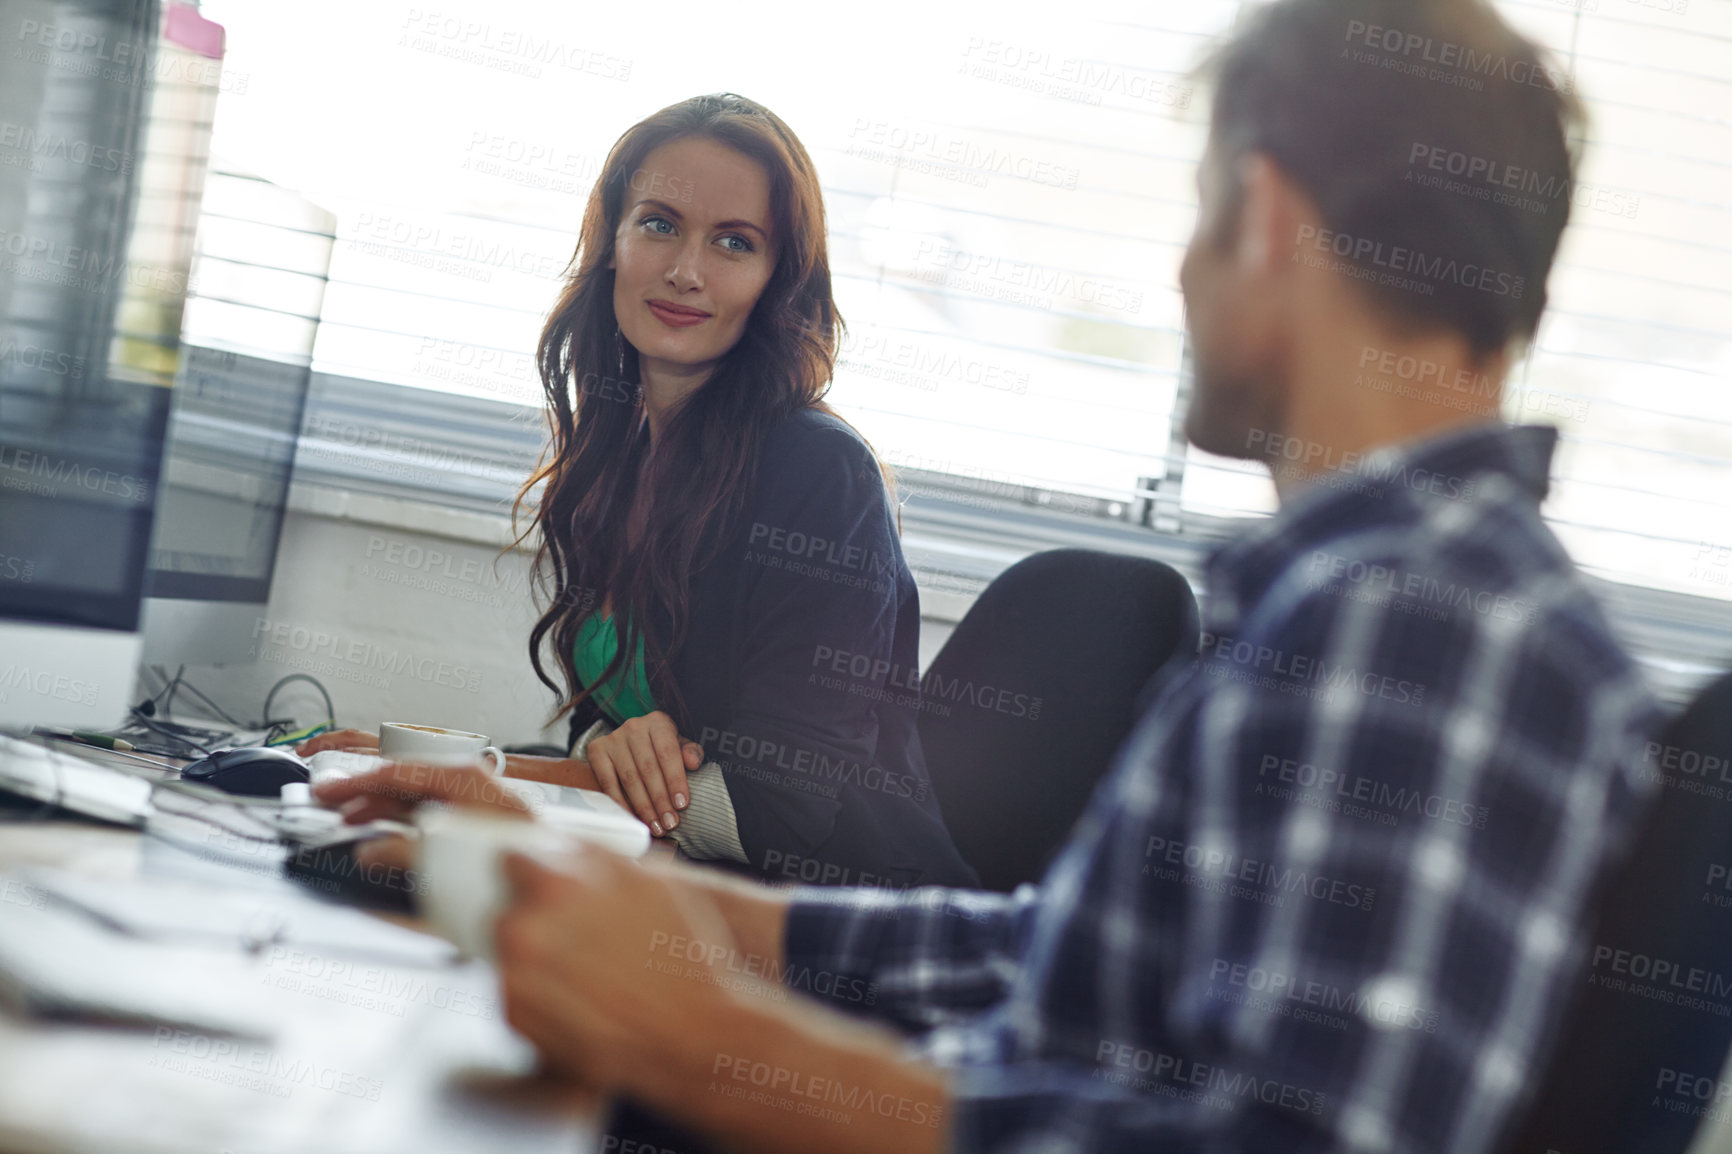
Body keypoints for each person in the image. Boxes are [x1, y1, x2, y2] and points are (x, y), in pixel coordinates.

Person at [319, 0, 1666, 1150]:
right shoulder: (1359, 605)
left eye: (1199, 217)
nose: (1182, 272)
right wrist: (650, 906)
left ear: (1258, 221)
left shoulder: (1427, 630)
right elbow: (1055, 960)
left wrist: (707, 1043)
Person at [305, 94, 976, 889]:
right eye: (659, 223)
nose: (685, 271)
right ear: (612, 244)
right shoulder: (620, 451)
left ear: (776, 280)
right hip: (678, 889)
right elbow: (616, 732)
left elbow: (775, 811)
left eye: (735, 242)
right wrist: (593, 751)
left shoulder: (818, 473)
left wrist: (453, 776)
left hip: (832, 926)